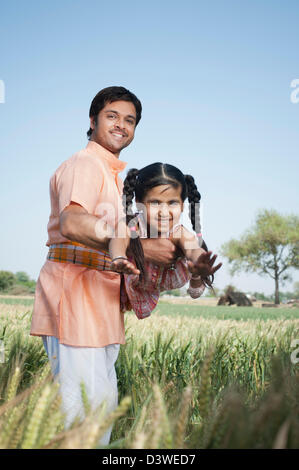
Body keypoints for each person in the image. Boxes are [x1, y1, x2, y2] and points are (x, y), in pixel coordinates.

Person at [30, 86, 179, 446]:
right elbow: (72, 222)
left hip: (100, 303)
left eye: (130, 120)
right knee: (81, 413)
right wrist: (140, 248)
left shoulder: (113, 174)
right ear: (93, 119)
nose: (121, 125)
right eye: (112, 115)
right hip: (75, 297)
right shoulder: (86, 164)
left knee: (99, 406)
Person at [109, 163, 222, 318]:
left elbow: (192, 248)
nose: (164, 212)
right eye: (155, 203)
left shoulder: (178, 232)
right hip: (139, 279)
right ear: (139, 203)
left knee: (195, 288)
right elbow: (118, 239)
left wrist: (199, 262)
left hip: (172, 276)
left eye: (172, 203)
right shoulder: (132, 224)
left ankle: (196, 277)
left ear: (182, 206)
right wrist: (119, 257)